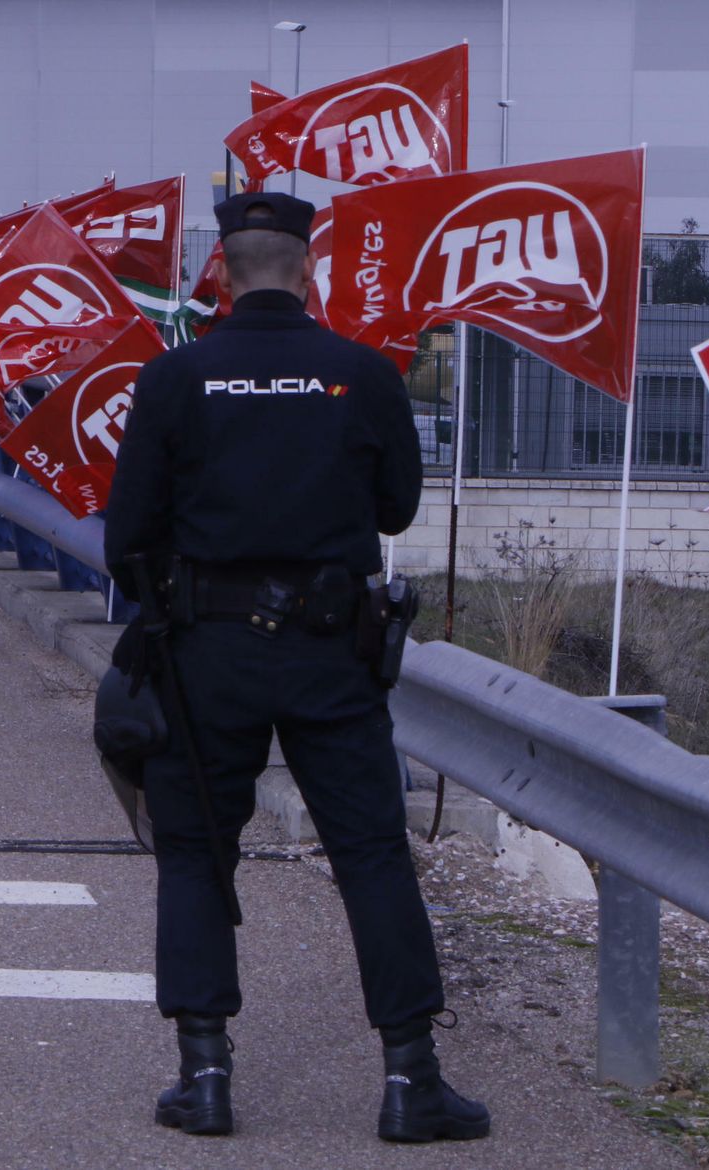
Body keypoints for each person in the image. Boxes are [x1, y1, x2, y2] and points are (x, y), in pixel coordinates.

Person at [103, 191, 489, 1145]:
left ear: (222, 273)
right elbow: (397, 510)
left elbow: (124, 538)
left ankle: (204, 1077)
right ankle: (411, 1082)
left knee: (196, 852)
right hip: (330, 654)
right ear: (307, 270)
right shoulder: (362, 373)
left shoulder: (175, 379)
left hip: (206, 654)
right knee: (370, 853)